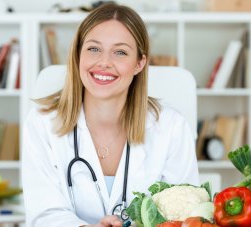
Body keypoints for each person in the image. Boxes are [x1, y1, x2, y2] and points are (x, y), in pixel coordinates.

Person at [22, 3, 199, 227]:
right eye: (94, 49)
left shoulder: (171, 127)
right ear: (77, 55)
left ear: (139, 64)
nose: (104, 62)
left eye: (120, 52)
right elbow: (43, 214)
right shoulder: (42, 123)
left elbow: (184, 216)